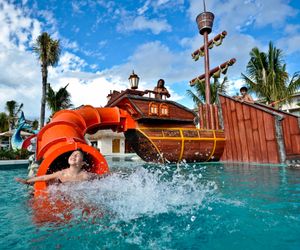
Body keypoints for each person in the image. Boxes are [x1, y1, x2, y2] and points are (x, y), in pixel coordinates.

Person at [15, 149, 98, 185]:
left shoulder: (85, 176)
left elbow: (99, 177)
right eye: (72, 154)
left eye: (77, 155)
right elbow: (44, 178)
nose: (73, 155)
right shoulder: (62, 174)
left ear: (83, 163)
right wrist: (28, 181)